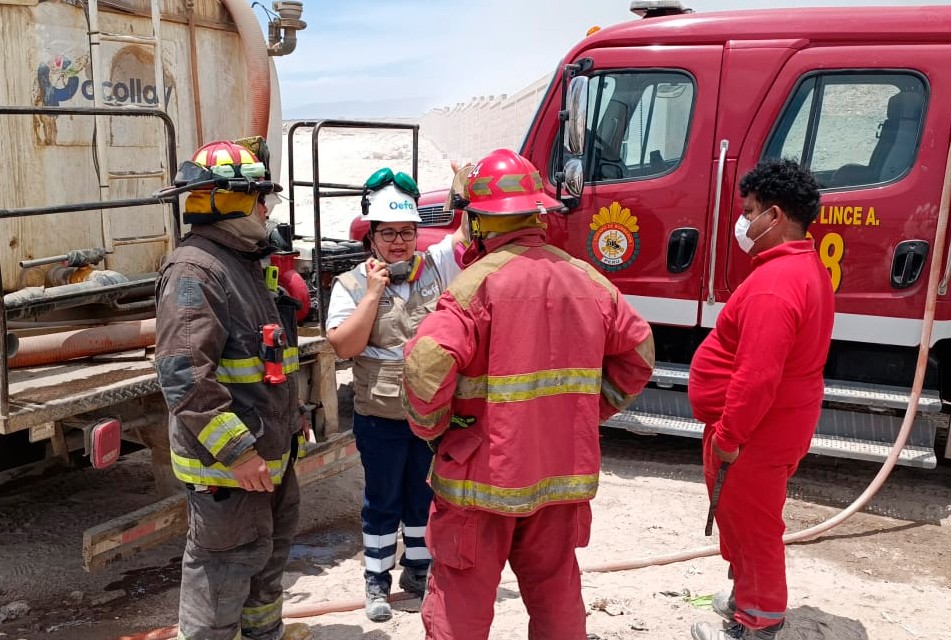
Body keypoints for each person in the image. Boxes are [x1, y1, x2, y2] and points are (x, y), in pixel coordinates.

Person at [400, 148, 655, 640]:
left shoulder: (476, 286)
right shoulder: (588, 280)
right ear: (536, 212)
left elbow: (426, 361)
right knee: (556, 591)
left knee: (462, 604)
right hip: (559, 472)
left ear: (477, 224)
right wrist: (584, 412)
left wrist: (435, 428)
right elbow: (639, 351)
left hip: (480, 482)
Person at [154, 138, 312, 640]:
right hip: (229, 467)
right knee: (222, 571)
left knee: (266, 558)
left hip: (268, 456)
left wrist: (294, 417)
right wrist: (239, 453)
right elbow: (183, 374)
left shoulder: (243, 261)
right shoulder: (196, 271)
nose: (267, 209)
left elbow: (264, 360)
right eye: (261, 197)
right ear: (232, 199)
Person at [687, 158, 835, 640]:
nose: (743, 222)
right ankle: (744, 598)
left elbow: (756, 377)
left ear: (775, 216)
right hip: (774, 426)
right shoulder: (799, 267)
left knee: (753, 527)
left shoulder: (776, 286)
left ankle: (758, 622)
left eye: (749, 211)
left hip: (756, 431)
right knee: (741, 517)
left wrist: (729, 435)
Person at [325, 166, 468, 622]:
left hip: (429, 417)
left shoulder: (436, 268)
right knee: (381, 501)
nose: (400, 242)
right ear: (371, 237)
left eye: (407, 232)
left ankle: (418, 571)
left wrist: (463, 187)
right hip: (379, 418)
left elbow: (465, 233)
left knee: (422, 498)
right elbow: (344, 345)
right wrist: (372, 294)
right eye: (389, 233)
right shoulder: (350, 285)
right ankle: (376, 582)